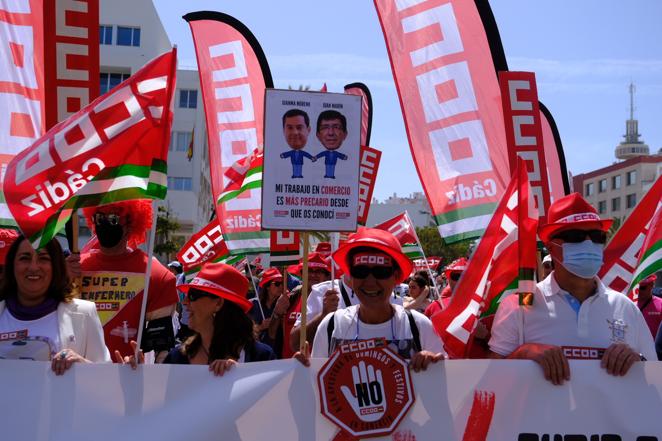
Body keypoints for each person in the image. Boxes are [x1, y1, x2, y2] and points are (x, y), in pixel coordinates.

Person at [489, 193, 656, 385]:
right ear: (550, 247)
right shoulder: (519, 305)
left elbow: (653, 378)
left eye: (597, 236)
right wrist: (523, 353)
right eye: (574, 236)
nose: (588, 243)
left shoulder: (626, 307)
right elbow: (492, 382)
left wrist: (637, 362)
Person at [308, 228, 445, 371]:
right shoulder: (331, 326)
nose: (370, 281)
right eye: (360, 271)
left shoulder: (418, 326)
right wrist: (298, 371)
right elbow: (315, 386)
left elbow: (448, 386)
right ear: (351, 276)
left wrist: (434, 365)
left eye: (381, 272)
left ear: (396, 277)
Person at [68, 200, 179, 361]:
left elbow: (161, 351)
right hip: (77, 376)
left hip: (131, 378)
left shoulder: (156, 276)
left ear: (130, 224)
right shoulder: (74, 269)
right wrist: (62, 280)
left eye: (113, 219)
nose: (105, 224)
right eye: (99, 218)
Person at [0, 235, 110, 374]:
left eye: (43, 258)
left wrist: (82, 365)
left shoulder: (84, 313)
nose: (34, 267)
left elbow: (105, 378)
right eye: (25, 258)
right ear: (12, 266)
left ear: (55, 266)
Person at [161, 262, 275, 373]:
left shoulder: (261, 357)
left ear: (218, 303)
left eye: (192, 295)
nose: (185, 301)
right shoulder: (176, 358)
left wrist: (240, 375)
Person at [280, 252, 332, 358]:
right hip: (288, 367)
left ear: (327, 276)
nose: (313, 275)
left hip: (318, 367)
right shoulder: (291, 298)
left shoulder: (333, 302)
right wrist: (276, 314)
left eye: (319, 271)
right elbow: (273, 335)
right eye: (309, 270)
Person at [280, 108, 316, 178]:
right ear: (283, 130)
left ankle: (299, 175)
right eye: (290, 128)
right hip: (294, 163)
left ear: (308, 130)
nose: (295, 132)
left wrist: (312, 158)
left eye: (299, 127)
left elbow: (306, 155)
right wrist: (283, 155)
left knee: (299, 169)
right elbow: (287, 154)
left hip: (300, 163)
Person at [314, 110, 348, 179]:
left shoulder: (352, 166)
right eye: (325, 127)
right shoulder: (325, 152)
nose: (331, 133)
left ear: (345, 134)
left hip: (333, 164)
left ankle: (331, 175)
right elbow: (321, 154)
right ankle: (328, 175)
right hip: (327, 163)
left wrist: (344, 157)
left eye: (336, 127)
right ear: (318, 135)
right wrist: (315, 157)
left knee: (331, 169)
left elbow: (340, 155)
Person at [637, 274, 661, 339]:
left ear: (652, 285)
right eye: (636, 288)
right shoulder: (629, 302)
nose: (638, 291)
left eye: (642, 288)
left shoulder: (660, 304)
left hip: (652, 347)